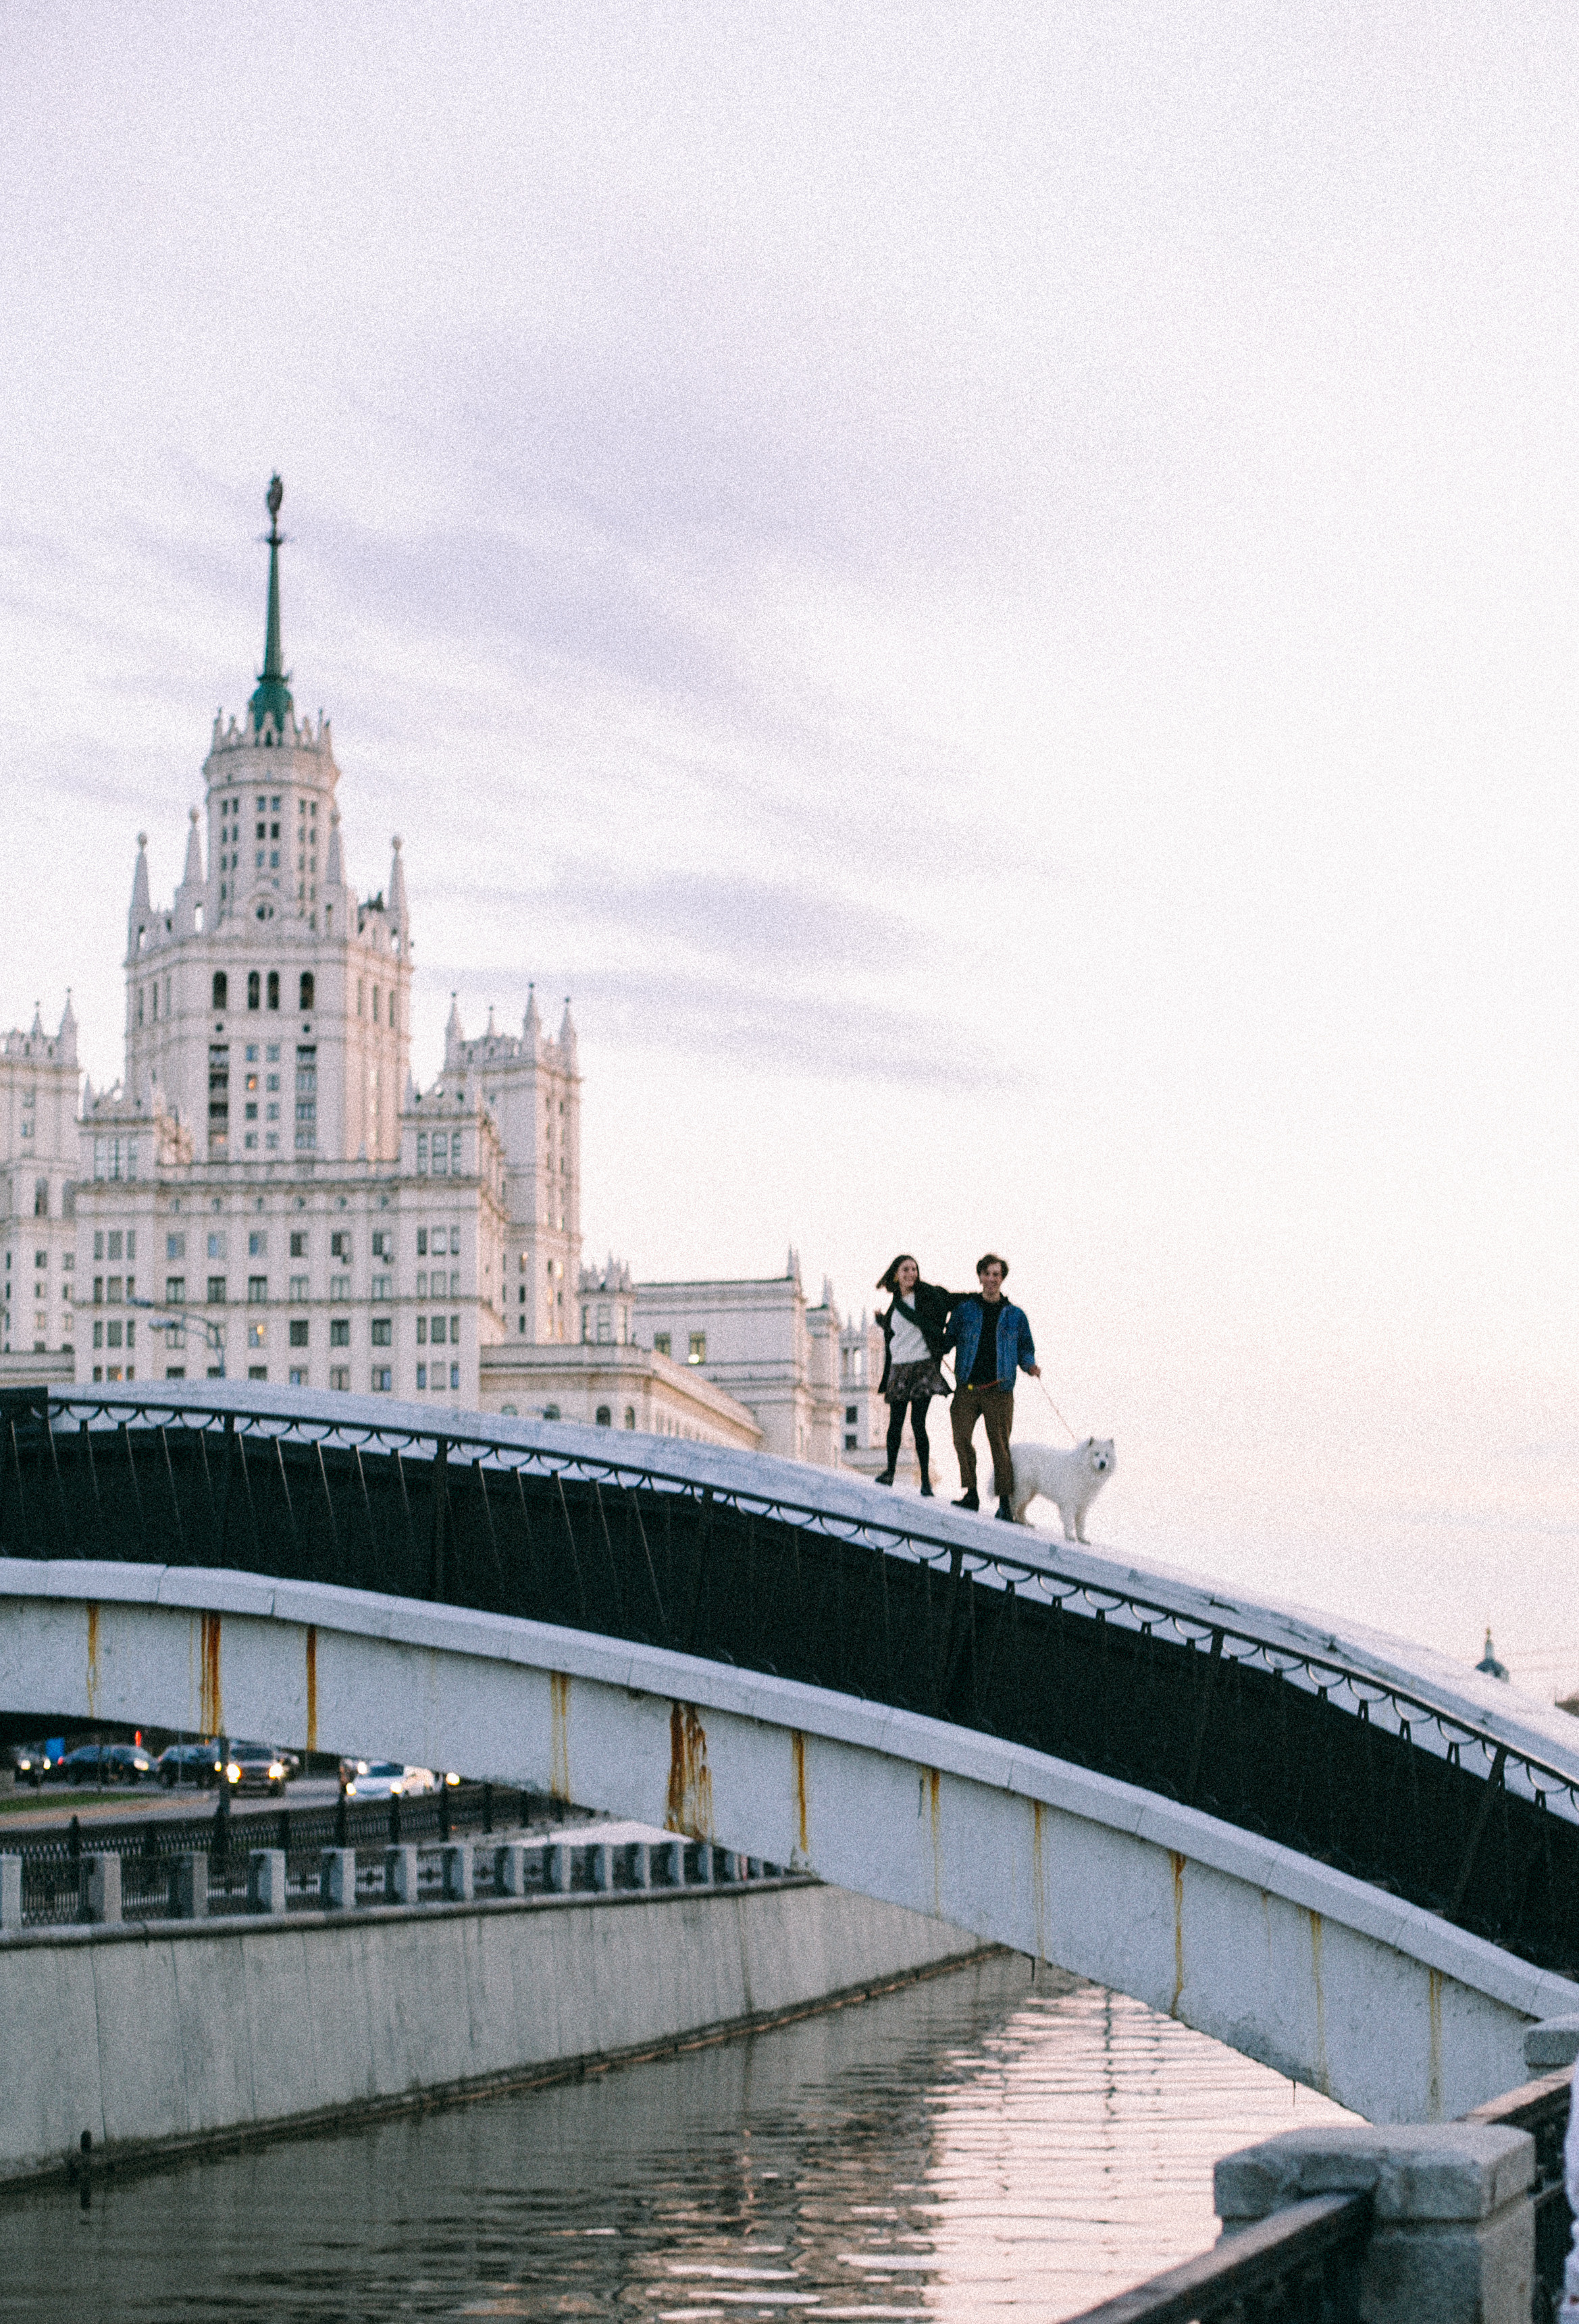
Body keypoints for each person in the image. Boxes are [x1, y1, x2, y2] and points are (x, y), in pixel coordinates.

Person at [943, 1252, 1040, 1521]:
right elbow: (949, 1338)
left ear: (1002, 1278)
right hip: (967, 1387)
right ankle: (971, 1494)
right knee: (961, 1439)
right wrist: (930, 1345)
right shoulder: (965, 1310)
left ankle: (1005, 1505)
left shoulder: (1016, 1316)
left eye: (997, 1275)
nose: (992, 1279)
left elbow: (1025, 1349)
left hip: (1000, 1390)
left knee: (1000, 1446)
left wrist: (1030, 1366)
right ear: (980, 1277)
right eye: (987, 1274)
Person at [873, 1255, 954, 1496]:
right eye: (906, 1269)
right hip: (899, 1368)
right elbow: (896, 1333)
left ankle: (926, 1482)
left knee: (918, 1424)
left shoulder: (926, 1298)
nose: (911, 1274)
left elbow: (946, 1304)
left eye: (914, 1269)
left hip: (922, 1368)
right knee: (895, 1424)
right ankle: (890, 1472)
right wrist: (882, 1323)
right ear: (897, 1274)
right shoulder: (895, 1304)